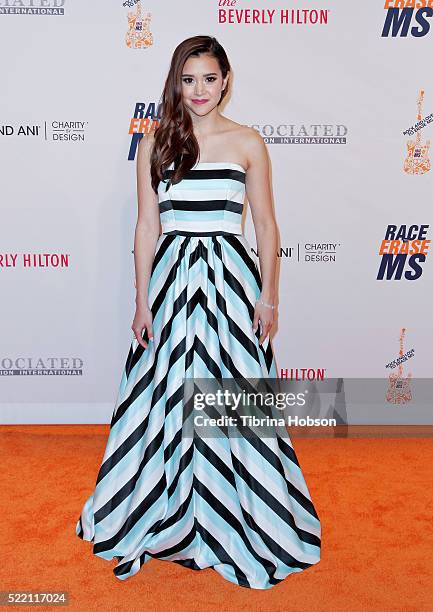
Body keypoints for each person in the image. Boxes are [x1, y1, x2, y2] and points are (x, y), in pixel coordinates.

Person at [75, 34, 321, 590]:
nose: (200, 90)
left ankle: (241, 515)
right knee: (163, 394)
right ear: (176, 83)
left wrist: (269, 295)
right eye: (189, 80)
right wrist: (141, 299)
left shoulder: (249, 143)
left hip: (230, 283)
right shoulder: (156, 141)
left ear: (226, 80)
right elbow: (146, 226)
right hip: (170, 283)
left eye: (209, 78)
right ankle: (163, 509)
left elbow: (265, 226)